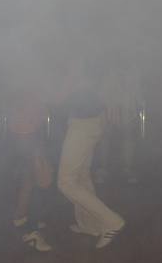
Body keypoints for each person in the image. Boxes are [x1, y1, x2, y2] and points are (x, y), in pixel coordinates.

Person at [57, 58, 125, 249]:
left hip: (83, 124)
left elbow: (60, 96)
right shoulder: (87, 60)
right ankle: (90, 225)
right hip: (92, 121)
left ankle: (112, 221)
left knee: (65, 182)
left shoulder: (76, 63)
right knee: (81, 176)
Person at [8, 87, 53, 252]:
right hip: (26, 131)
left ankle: (21, 217)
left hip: (26, 130)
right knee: (40, 178)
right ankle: (32, 232)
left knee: (29, 178)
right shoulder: (29, 84)